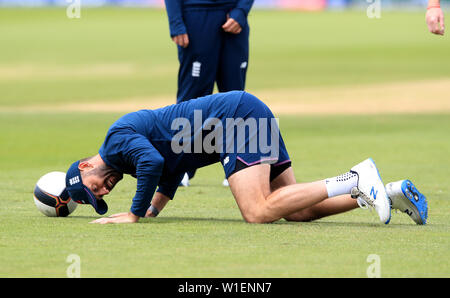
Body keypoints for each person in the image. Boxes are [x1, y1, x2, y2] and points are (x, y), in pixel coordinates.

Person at [63, 91, 428, 225]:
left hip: (236, 120)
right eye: (101, 200)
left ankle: (355, 178)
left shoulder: (115, 143)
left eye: (95, 188)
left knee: (257, 211)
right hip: (243, 114)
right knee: (297, 210)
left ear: (85, 166)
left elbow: (154, 165)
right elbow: (172, 168)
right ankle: (386, 191)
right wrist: (154, 209)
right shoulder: (125, 156)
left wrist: (134, 214)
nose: (104, 192)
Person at [164, 0, 254, 187]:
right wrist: (175, 22)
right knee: (192, 99)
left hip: (233, 17)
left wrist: (242, 10)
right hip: (196, 17)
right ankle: (180, 170)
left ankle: (241, 167)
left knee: (236, 97)